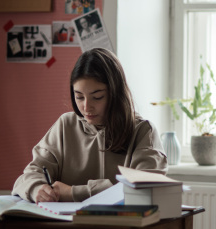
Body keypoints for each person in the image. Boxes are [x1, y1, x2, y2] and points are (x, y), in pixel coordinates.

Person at [11, 48, 167, 203]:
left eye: (97, 97)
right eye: (79, 97)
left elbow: (144, 191)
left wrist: (72, 193)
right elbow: (28, 176)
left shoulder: (143, 132)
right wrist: (37, 189)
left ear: (115, 93)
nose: (86, 107)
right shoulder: (65, 125)